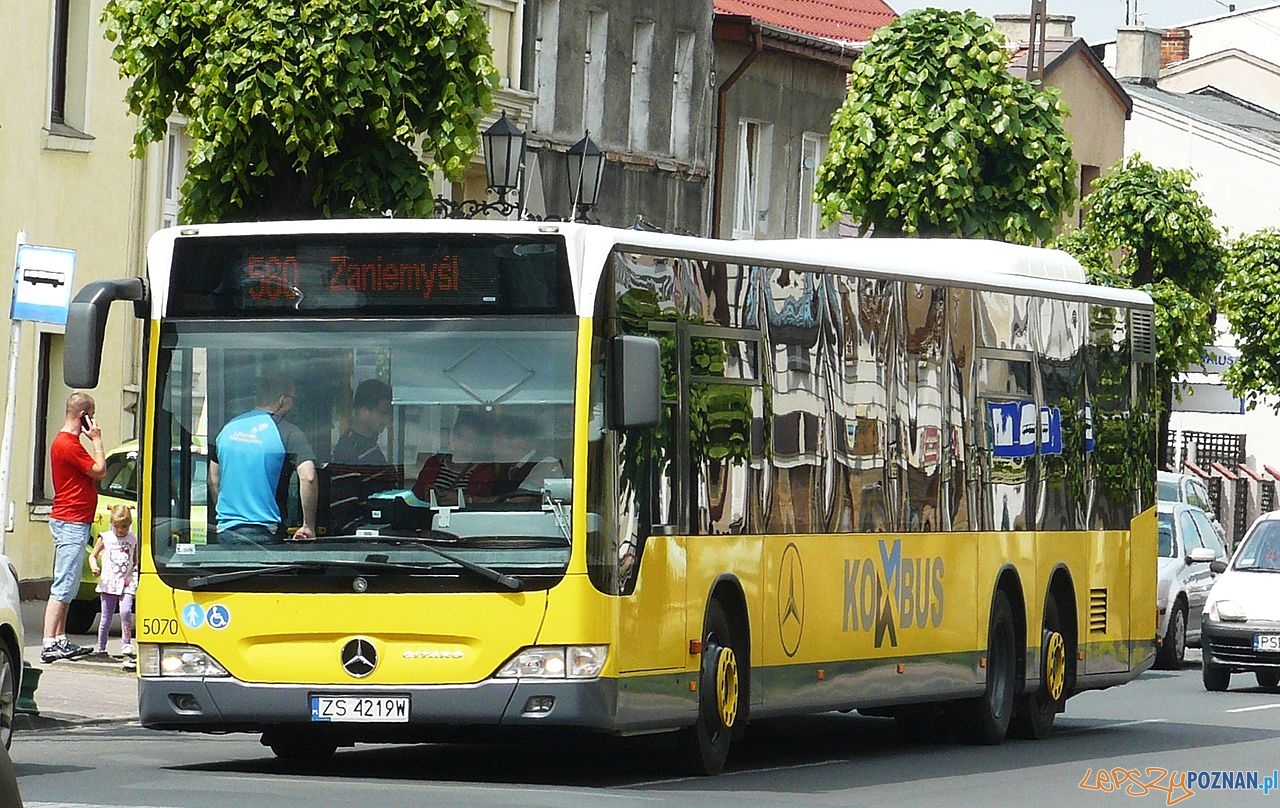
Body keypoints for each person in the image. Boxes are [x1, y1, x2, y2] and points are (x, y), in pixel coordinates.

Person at [209, 374, 318, 544]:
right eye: (293, 398)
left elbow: (213, 480)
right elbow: (308, 477)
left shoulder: (228, 429)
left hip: (226, 532)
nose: (294, 404)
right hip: (267, 533)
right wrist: (308, 525)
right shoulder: (288, 432)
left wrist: (227, 514)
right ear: (282, 400)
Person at [42, 391, 106, 663]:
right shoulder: (68, 444)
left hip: (72, 519)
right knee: (64, 584)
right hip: (71, 521)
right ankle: (48, 642)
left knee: (69, 584)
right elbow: (100, 469)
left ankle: (60, 639)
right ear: (83, 416)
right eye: (91, 415)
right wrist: (97, 440)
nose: (94, 420)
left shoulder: (65, 441)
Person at [329, 379, 398, 533]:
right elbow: (343, 511)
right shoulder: (349, 453)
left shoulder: (369, 449)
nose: (387, 420)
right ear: (363, 411)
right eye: (383, 413)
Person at [412, 409, 498, 502]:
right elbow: (415, 496)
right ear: (452, 436)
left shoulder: (484, 472)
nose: (464, 443)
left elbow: (489, 503)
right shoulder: (434, 463)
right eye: (460, 436)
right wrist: (427, 494)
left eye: (470, 439)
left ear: (478, 443)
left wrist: (463, 499)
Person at [88, 503, 138, 658]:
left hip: (126, 582)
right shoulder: (106, 538)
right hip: (109, 582)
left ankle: (126, 644)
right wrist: (94, 567)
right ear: (112, 524)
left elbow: (135, 559)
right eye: (117, 526)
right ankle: (101, 647)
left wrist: (136, 572)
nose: (120, 530)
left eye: (124, 526)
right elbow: (93, 555)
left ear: (129, 524)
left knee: (125, 612)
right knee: (106, 617)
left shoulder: (132, 539)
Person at [493, 415, 564, 496]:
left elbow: (522, 499)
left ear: (522, 441)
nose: (492, 447)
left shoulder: (548, 463)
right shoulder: (507, 469)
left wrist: (481, 502)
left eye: (498, 438)